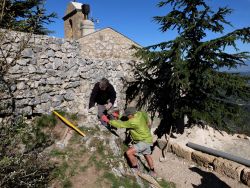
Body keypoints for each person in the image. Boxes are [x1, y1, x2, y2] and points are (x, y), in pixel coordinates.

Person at [101, 107, 157, 178]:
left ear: (131, 115)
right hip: (148, 138)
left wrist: (108, 120)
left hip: (143, 141)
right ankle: (153, 171)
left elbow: (121, 125)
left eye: (127, 115)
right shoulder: (140, 113)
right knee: (147, 155)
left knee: (129, 152)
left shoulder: (133, 121)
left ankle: (135, 169)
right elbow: (146, 119)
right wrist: (118, 116)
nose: (127, 116)